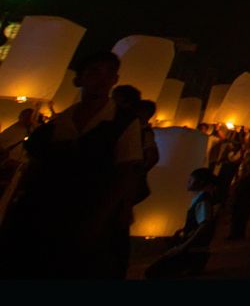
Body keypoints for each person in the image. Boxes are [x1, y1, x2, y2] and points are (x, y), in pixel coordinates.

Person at [0, 50, 143, 279]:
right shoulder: (57, 125)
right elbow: (35, 167)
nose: (101, 80)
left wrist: (103, 217)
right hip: (45, 211)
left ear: (115, 80)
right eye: (94, 72)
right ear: (79, 79)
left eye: (108, 74)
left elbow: (125, 171)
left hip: (92, 212)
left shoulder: (124, 123)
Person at [144, 167, 219, 278]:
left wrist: (182, 247)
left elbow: (204, 225)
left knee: (152, 272)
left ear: (200, 182)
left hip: (194, 252)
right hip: (193, 250)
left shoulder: (203, 201)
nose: (188, 183)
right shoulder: (200, 199)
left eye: (190, 180)